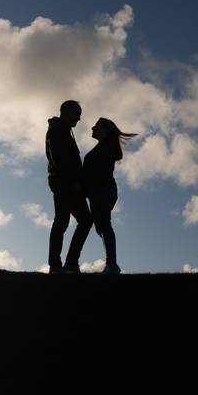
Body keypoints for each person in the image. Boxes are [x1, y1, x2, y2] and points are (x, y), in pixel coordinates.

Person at [82, 117, 137, 275]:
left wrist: (86, 185)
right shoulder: (103, 147)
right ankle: (111, 264)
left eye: (96, 126)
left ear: (105, 131)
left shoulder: (106, 148)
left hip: (102, 190)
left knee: (104, 225)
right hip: (98, 191)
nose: (92, 128)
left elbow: (99, 173)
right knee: (101, 226)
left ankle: (112, 264)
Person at [46, 100, 93, 274]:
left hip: (69, 183)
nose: (79, 118)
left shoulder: (64, 130)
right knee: (62, 221)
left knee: (83, 220)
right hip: (64, 183)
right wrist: (73, 182)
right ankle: (57, 264)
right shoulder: (58, 130)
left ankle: (69, 262)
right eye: (77, 114)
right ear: (66, 112)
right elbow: (59, 159)